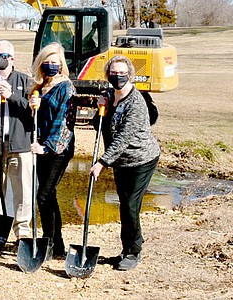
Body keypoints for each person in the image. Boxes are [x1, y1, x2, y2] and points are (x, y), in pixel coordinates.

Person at [89, 55, 160, 271]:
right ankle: (127, 247)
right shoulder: (110, 95)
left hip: (142, 159)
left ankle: (133, 251)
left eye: (122, 73)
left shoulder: (136, 102)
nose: (117, 76)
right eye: (113, 73)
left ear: (129, 75)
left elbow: (123, 138)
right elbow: (99, 125)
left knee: (131, 205)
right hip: (121, 161)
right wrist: (101, 108)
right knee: (125, 204)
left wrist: (102, 162)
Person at [0, 40, 35, 243]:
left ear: (12, 58)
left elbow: (33, 112)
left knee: (22, 190)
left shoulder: (26, 81)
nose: (0, 59)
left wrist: (12, 96)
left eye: (4, 56)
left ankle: (22, 231)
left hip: (20, 144)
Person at [27, 42, 76, 258]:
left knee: (43, 195)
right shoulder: (39, 87)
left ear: (61, 65)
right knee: (50, 196)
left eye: (54, 62)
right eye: (46, 62)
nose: (50, 65)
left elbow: (62, 122)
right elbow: (37, 120)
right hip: (40, 148)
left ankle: (49, 242)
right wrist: (32, 106)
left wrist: (46, 147)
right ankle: (56, 245)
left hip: (58, 150)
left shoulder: (66, 87)